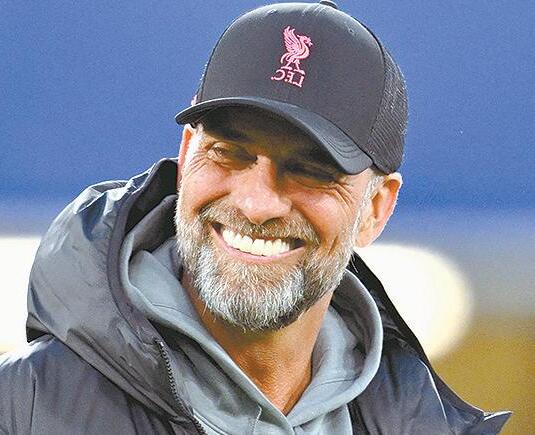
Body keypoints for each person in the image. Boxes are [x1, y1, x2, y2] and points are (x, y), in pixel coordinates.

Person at [0, 1, 510, 433]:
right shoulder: (22, 407)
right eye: (229, 153)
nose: (256, 204)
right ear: (186, 155)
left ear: (375, 210)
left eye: (311, 171)